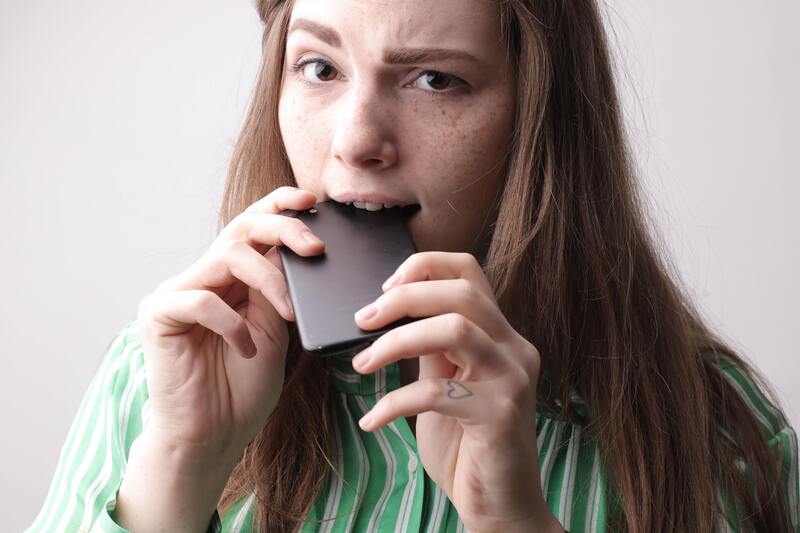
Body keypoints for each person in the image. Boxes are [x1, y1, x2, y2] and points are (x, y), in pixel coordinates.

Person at [28, 0, 798, 531]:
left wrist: (514, 520)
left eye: (435, 78)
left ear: (537, 119)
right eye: (320, 68)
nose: (356, 138)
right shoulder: (157, 378)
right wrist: (180, 462)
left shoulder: (715, 427)